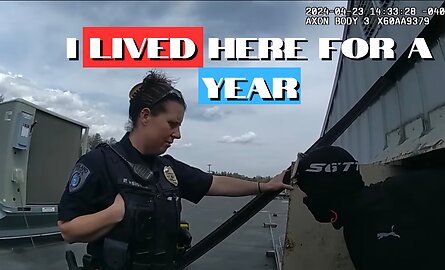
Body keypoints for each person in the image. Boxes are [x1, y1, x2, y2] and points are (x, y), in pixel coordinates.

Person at [57, 70, 293, 270]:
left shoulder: (167, 168)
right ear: (146, 116)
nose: (177, 134)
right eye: (172, 124)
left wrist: (263, 186)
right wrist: (116, 213)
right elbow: (68, 230)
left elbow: (215, 183)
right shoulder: (99, 162)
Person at [294, 145, 445, 270]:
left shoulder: (368, 228)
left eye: (309, 193)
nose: (308, 201)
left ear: (326, 192)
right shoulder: (359, 219)